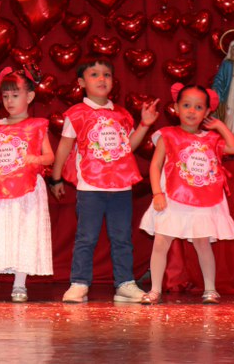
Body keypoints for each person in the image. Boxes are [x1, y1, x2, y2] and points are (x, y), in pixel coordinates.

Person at [49, 57, 159, 303]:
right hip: (90, 186)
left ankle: (125, 283)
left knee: (122, 238)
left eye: (106, 75)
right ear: (81, 82)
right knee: (86, 237)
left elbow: (128, 146)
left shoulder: (122, 114)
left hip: (121, 186)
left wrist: (144, 125)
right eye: (94, 74)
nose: (101, 79)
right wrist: (55, 179)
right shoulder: (76, 114)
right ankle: (79, 283)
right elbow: (64, 147)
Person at [139, 83, 234, 305]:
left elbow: (233, 148)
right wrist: (157, 193)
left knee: (202, 243)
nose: (192, 111)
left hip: (202, 200)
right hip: (172, 197)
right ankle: (155, 290)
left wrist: (220, 126)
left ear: (207, 112)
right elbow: (155, 166)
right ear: (176, 107)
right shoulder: (168, 135)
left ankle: (210, 289)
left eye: (198, 107)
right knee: (161, 241)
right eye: (186, 105)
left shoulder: (211, 139)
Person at [0, 66, 54, 303]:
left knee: (23, 233)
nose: (10, 101)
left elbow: (50, 156)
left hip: (25, 190)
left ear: (30, 96)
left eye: (15, 95)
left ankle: (19, 285)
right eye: (5, 96)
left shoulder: (37, 125)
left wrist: (36, 159)